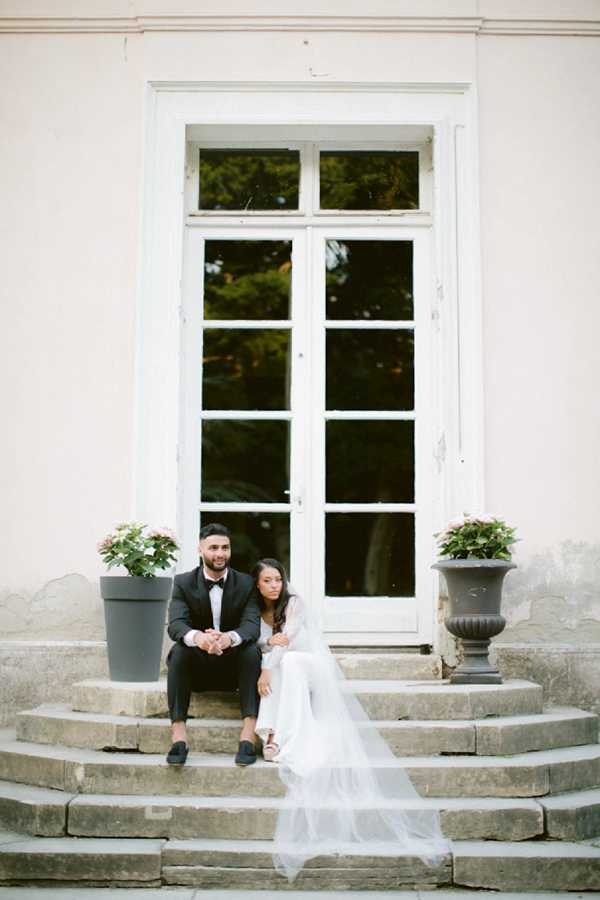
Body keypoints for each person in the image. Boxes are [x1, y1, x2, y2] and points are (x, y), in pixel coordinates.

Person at [251, 557, 450, 881]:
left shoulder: (294, 604)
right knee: (282, 667)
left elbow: (286, 641)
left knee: (290, 664)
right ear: (257, 585)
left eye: (278, 580)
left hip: (309, 665)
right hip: (282, 666)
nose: (274, 586)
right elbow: (259, 640)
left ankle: (280, 737)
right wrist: (266, 649)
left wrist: (267, 664)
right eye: (267, 581)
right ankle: (271, 733)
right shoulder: (254, 609)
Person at [165, 523, 261, 767]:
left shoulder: (246, 583)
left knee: (251, 651)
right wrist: (200, 639)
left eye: (225, 548)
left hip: (234, 667)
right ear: (200, 550)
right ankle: (178, 737)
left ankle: (248, 736)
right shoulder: (183, 582)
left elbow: (252, 626)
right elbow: (176, 625)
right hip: (198, 667)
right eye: (214, 548)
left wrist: (228, 638)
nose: (220, 554)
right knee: (178, 652)